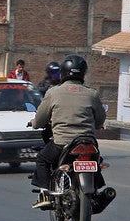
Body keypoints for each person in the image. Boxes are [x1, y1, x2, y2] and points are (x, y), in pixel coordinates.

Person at [29, 54, 106, 207]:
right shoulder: (92, 94)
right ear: (83, 73)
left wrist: (34, 123)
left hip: (61, 144)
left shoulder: (53, 93)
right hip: (88, 143)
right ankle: (96, 191)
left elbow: (40, 119)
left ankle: (45, 193)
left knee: (42, 159)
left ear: (63, 73)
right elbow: (100, 119)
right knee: (97, 161)